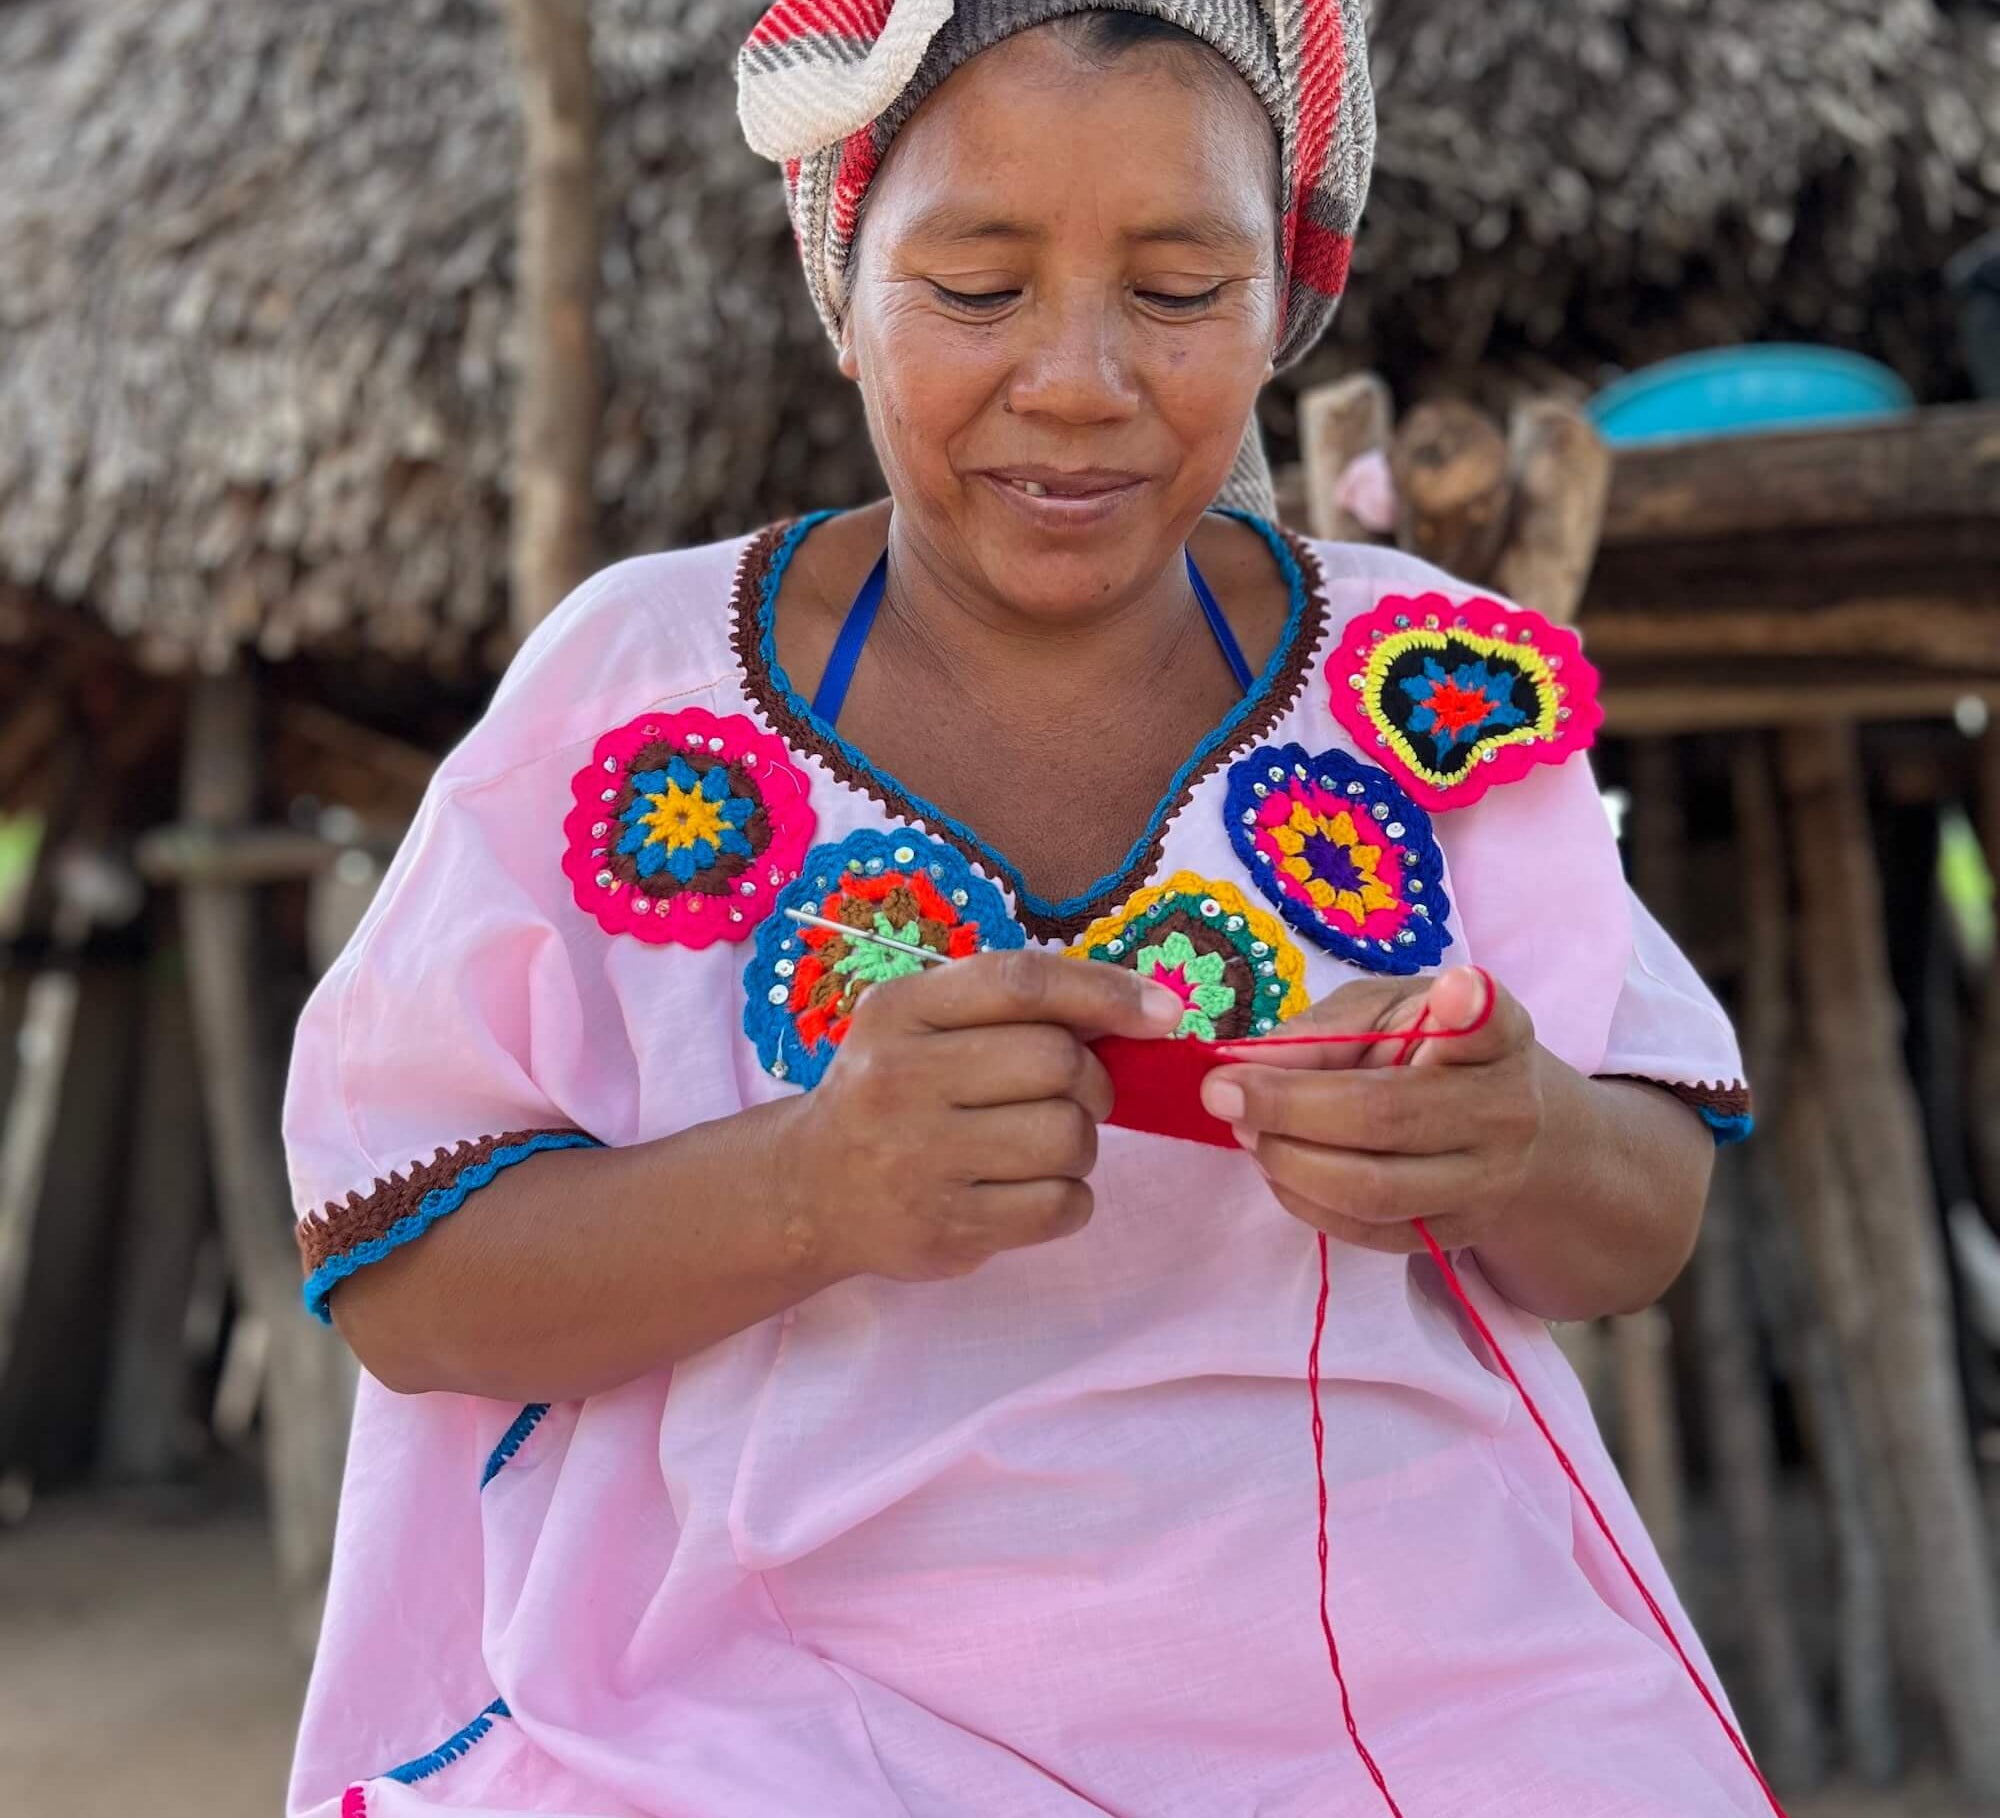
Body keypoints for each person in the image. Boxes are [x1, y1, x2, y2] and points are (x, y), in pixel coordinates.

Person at [283, 4, 1763, 1814]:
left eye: (1178, 288)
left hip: (1409, 1688)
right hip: (754, 1712)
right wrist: (808, 1186)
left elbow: (1647, 1212)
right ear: (848, 284)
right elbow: (406, 1282)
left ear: (1282, 294)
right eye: (977, 289)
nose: (1077, 379)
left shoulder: (1424, 685)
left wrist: (1515, 1140)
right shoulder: (631, 688)